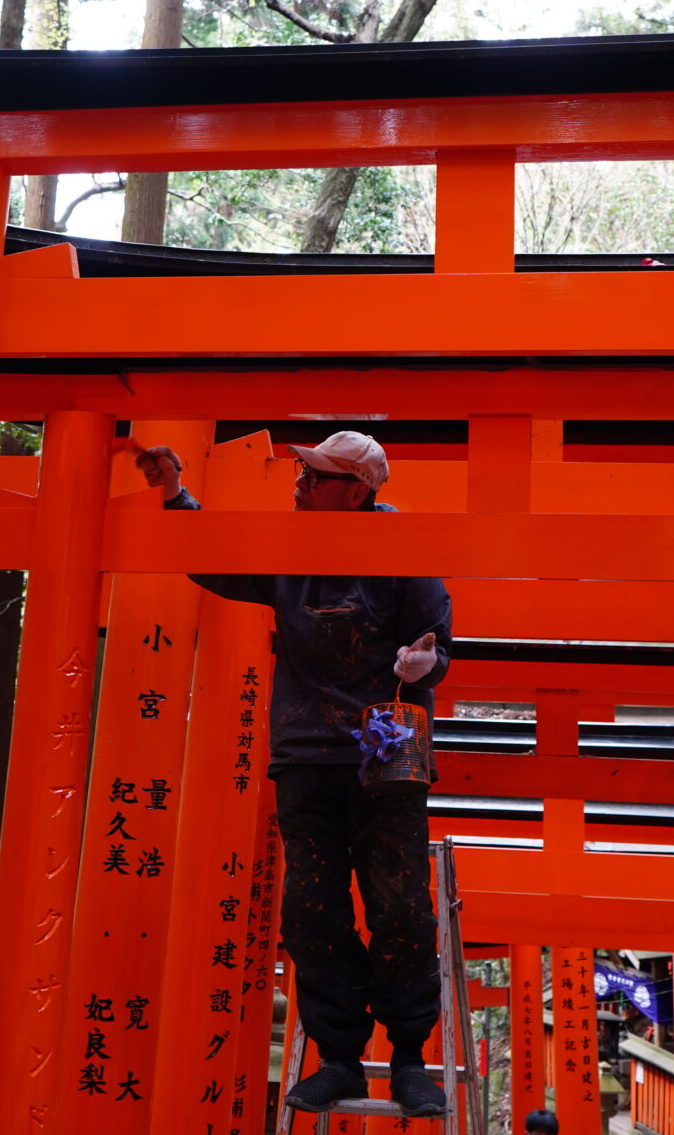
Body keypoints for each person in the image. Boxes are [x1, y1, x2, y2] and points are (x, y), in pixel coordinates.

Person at [136, 430, 453, 1118]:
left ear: (357, 491)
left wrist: (423, 664)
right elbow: (215, 559)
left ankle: (406, 1057)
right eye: (302, 474)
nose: (298, 485)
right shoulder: (288, 550)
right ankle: (340, 1056)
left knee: (400, 906)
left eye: (314, 477)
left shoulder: (406, 547)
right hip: (308, 753)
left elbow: (438, 639)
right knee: (310, 908)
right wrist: (173, 494)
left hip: (388, 754)